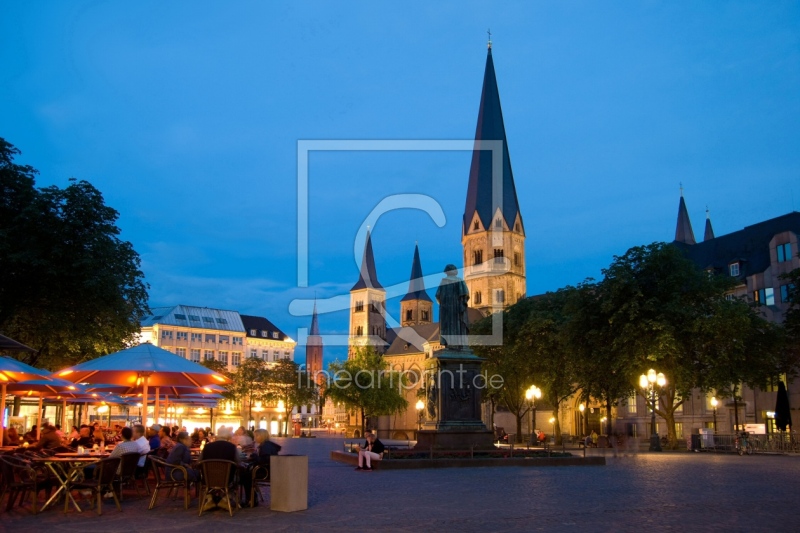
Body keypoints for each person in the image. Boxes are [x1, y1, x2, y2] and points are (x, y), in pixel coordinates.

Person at [200, 426, 249, 509]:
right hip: (227, 478)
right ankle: (226, 499)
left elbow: (199, 461)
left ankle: (209, 498)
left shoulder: (207, 447)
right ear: (228, 437)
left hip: (208, 478)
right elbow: (238, 462)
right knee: (238, 475)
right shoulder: (232, 447)